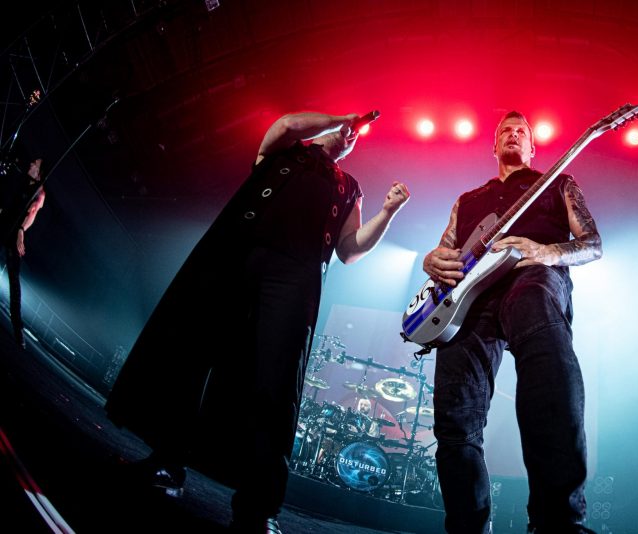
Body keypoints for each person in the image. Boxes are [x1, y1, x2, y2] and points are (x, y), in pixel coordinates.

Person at [105, 111, 409, 533]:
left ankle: (258, 509)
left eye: (354, 137)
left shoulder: (348, 186)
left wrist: (388, 212)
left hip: (295, 276)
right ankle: (166, 463)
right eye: (342, 131)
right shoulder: (287, 151)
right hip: (239, 253)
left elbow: (349, 250)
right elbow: (286, 125)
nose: (349, 136)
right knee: (195, 355)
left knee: (277, 385)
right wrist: (340, 119)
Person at [421, 111, 602, 533]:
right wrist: (432, 259)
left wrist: (546, 252)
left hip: (532, 277)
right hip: (470, 299)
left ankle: (558, 524)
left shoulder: (558, 183)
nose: (514, 134)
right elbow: (445, 250)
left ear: (533, 147)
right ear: (494, 144)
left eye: (522, 131)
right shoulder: (468, 200)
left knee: (548, 371)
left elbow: (593, 244)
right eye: (506, 129)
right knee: (455, 416)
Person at [0, 157, 46, 348]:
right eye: (32, 162)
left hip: (14, 231)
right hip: (4, 222)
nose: (31, 164)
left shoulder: (39, 192)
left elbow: (32, 214)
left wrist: (21, 231)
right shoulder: (22, 180)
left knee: (14, 278)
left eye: (35, 164)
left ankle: (17, 327)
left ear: (39, 173)